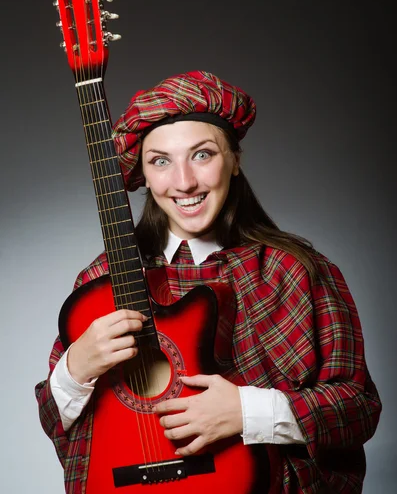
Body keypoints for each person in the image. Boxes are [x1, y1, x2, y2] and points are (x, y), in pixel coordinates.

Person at [35, 70, 381, 494]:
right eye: (160, 161)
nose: (184, 182)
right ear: (141, 174)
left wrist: (246, 411)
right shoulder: (99, 280)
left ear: (234, 159)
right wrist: (75, 370)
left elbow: (359, 409)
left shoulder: (295, 270)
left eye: (202, 155)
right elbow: (54, 419)